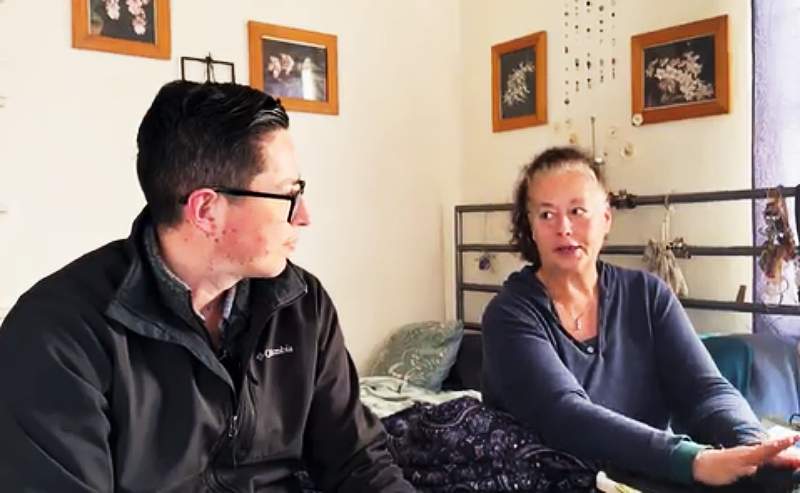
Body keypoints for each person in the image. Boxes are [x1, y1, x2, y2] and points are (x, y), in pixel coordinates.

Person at [0, 81, 414, 492]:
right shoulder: (58, 334)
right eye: (288, 195)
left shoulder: (302, 304)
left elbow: (357, 461)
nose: (303, 216)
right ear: (206, 210)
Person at [481, 146, 800, 487]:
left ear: (606, 218)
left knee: (776, 478)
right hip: (550, 479)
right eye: (546, 215)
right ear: (530, 227)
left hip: (646, 473)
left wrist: (753, 445)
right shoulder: (509, 314)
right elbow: (563, 414)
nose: (563, 227)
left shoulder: (647, 295)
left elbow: (705, 390)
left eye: (577, 211)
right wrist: (690, 459)